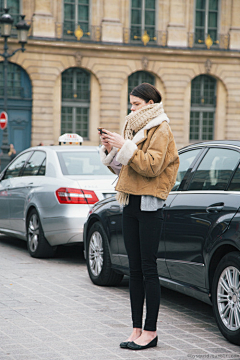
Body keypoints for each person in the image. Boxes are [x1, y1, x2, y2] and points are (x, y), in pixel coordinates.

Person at [99, 83, 179, 351]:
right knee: (133, 270)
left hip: (149, 205)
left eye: (136, 104)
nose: (131, 108)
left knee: (148, 269)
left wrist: (126, 146)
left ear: (150, 103)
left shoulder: (161, 128)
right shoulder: (133, 127)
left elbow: (153, 166)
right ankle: (136, 329)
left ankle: (151, 331)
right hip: (129, 200)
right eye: (130, 104)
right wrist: (112, 149)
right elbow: (125, 169)